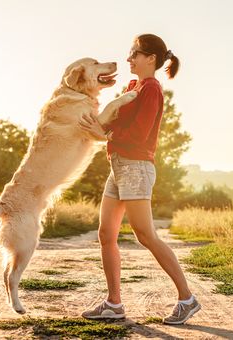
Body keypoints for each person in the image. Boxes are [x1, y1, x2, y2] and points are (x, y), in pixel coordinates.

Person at [78, 33, 201, 325]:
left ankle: (188, 298)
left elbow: (140, 134)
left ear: (151, 59)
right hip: (118, 166)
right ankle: (114, 304)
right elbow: (114, 121)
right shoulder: (133, 86)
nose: (129, 59)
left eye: (134, 54)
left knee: (145, 234)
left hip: (136, 166)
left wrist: (103, 135)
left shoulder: (152, 89)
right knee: (106, 234)